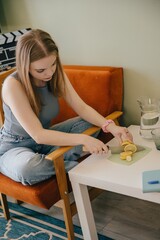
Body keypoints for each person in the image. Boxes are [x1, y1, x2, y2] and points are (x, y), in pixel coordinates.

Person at [0, 29, 133, 185]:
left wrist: (110, 127)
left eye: (53, 64)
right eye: (40, 70)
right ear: (25, 66)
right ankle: (73, 166)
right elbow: (38, 135)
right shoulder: (12, 85)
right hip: (15, 147)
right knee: (28, 169)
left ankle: (55, 158)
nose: (49, 73)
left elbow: (82, 108)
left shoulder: (55, 74)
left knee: (92, 124)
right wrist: (83, 139)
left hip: (46, 139)